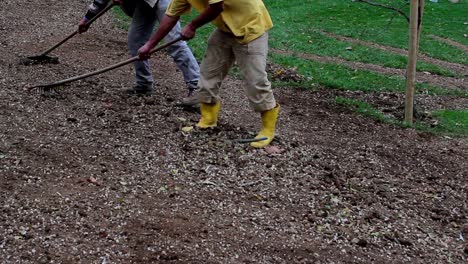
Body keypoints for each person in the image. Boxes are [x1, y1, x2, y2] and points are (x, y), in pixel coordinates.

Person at [137, 0, 280, 148]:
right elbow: (171, 15)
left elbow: (217, 7)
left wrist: (192, 26)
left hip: (250, 26)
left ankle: (268, 129)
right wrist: (149, 45)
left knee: (255, 80)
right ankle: (208, 120)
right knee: (208, 73)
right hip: (225, 29)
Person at [79, 0, 200, 102]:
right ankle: (144, 83)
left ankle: (197, 87)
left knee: (174, 42)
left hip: (164, 1)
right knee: (136, 41)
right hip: (144, 3)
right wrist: (87, 19)